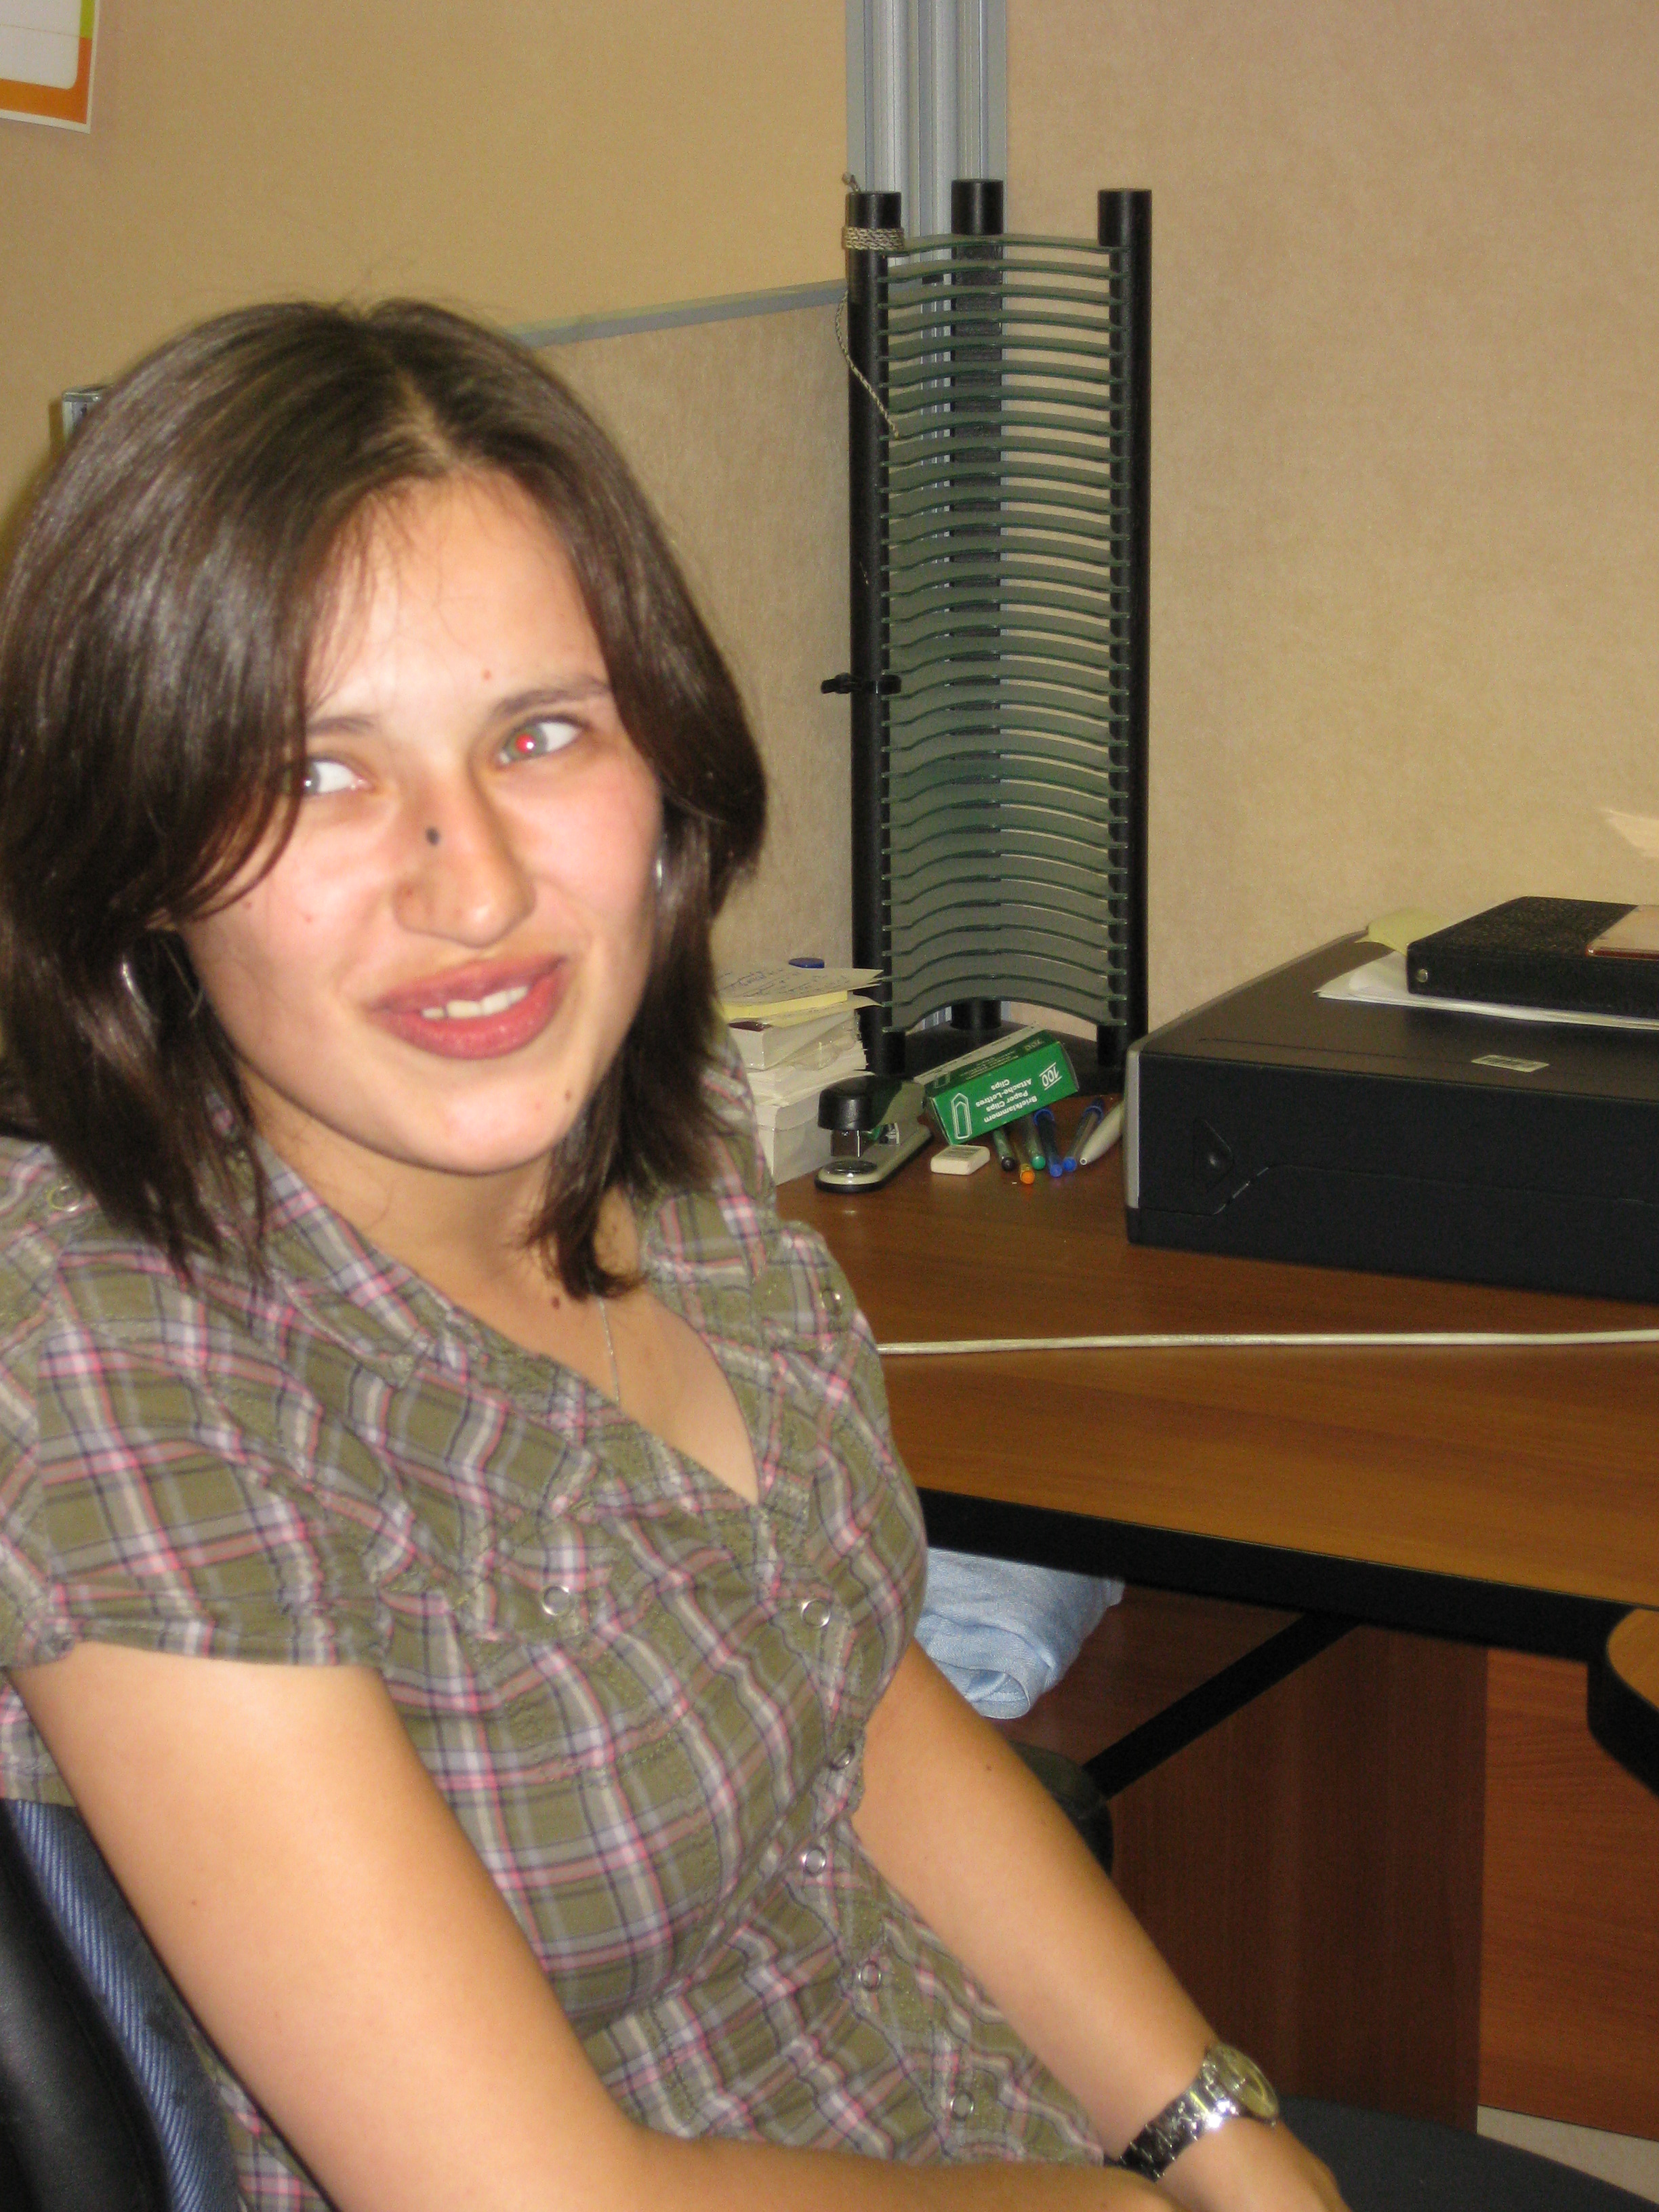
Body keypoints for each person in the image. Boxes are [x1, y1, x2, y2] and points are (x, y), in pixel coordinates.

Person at [0, 300, 1346, 2212]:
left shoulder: (670, 1159)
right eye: (314, 773)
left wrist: (1223, 2138)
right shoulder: (115, 1359)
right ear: (136, 852)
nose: (474, 884)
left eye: (541, 733)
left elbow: (857, 1695)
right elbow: (535, 2200)